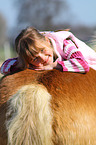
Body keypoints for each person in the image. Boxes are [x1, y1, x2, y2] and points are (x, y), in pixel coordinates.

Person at [0, 26, 96, 75]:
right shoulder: (34, 48)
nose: (42, 58)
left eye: (42, 50)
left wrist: (52, 65)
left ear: (47, 40)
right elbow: (3, 68)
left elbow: (83, 65)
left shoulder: (64, 43)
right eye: (35, 59)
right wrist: (22, 64)